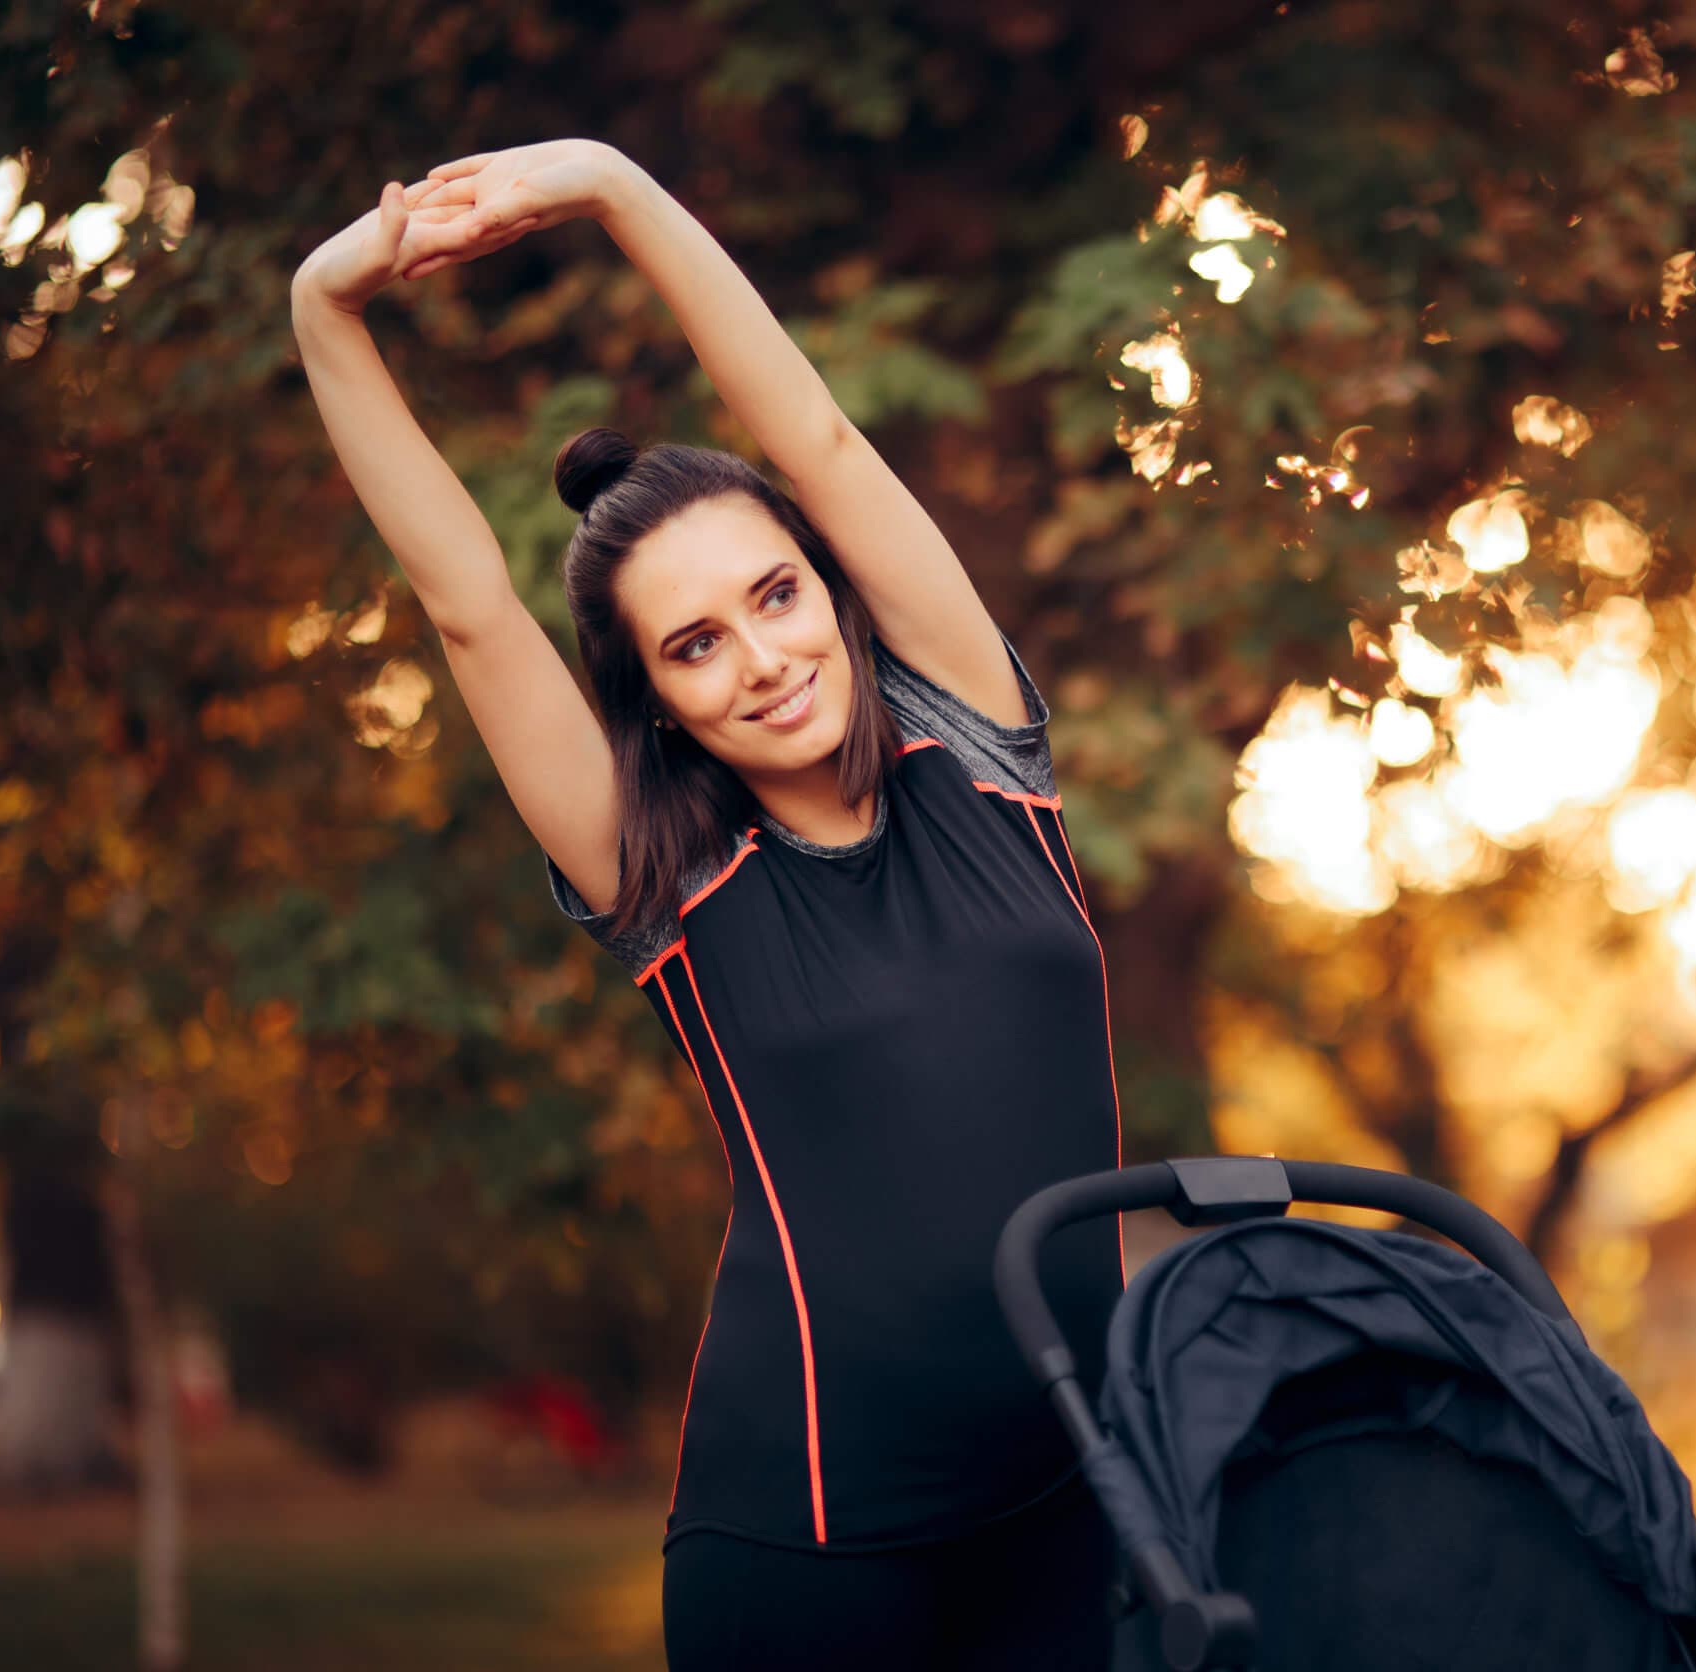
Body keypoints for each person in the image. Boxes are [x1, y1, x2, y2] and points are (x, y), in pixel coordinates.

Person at [291, 139, 1124, 1670]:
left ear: (830, 585)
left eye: (777, 596)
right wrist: (321, 309)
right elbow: (471, 606)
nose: (763, 661)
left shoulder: (988, 756)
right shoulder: (672, 877)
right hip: (813, 1544)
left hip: (1086, 1510)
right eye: (693, 648)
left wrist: (611, 184)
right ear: (658, 704)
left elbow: (813, 434)